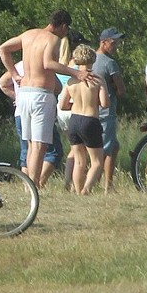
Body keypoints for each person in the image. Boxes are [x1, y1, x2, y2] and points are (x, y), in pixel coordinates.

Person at [0, 10, 97, 188]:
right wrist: (77, 73)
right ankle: (33, 186)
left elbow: (2, 49)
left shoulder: (28, 35)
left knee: (29, 144)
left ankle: (28, 185)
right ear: (63, 26)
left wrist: (14, 74)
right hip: (40, 94)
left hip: (24, 93)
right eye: (66, 30)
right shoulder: (53, 39)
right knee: (39, 145)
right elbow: (48, 63)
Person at [0, 61, 62, 185]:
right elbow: (58, 87)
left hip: (20, 111)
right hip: (39, 107)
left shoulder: (18, 66)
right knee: (53, 151)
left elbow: (3, 83)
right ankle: (38, 183)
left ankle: (27, 185)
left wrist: (17, 97)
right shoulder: (42, 64)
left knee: (26, 150)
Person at [59, 44, 110, 194]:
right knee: (97, 161)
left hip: (74, 120)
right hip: (90, 120)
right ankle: (86, 189)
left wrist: (75, 105)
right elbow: (105, 104)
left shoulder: (71, 81)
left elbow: (62, 105)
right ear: (93, 59)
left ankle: (78, 189)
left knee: (79, 160)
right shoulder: (97, 79)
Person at [92, 28, 126, 192]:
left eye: (117, 43)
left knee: (111, 147)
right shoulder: (109, 63)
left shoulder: (90, 60)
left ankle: (102, 183)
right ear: (103, 42)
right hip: (106, 111)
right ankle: (106, 184)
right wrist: (114, 86)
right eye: (113, 43)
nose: (116, 46)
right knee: (107, 148)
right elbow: (121, 90)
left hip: (90, 110)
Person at [56, 29, 88, 190]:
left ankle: (68, 181)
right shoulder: (77, 67)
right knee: (80, 150)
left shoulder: (60, 64)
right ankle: (76, 184)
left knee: (74, 147)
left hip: (61, 109)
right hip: (75, 106)